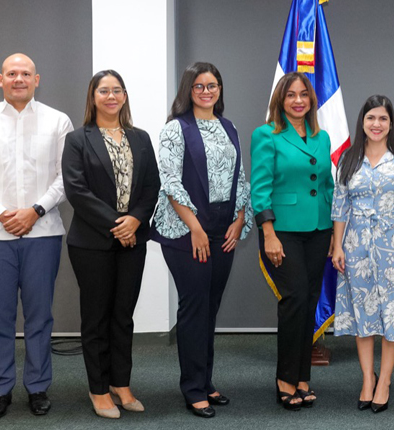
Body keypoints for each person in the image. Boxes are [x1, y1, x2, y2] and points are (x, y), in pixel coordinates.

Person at [0, 53, 73, 419]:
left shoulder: (58, 121)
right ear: (0, 79)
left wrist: (35, 211)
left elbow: (66, 175)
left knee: (40, 317)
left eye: (25, 73)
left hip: (44, 232)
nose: (18, 78)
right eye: (12, 73)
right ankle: (0, 389)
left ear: (37, 80)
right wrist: (2, 213)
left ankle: (38, 387)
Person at [151, 62, 251, 418]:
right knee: (194, 309)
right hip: (186, 231)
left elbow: (240, 176)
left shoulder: (229, 126)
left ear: (220, 90)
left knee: (209, 308)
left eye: (212, 85)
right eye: (199, 86)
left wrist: (241, 218)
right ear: (188, 90)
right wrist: (194, 227)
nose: (206, 91)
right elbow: (171, 183)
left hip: (223, 228)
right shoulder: (175, 130)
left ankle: (205, 381)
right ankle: (192, 388)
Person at [62, 70, 160, 418]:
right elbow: (77, 191)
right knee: (96, 318)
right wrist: (119, 224)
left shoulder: (141, 138)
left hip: (133, 240)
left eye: (117, 90)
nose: (111, 96)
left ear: (124, 96)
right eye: (104, 90)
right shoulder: (78, 140)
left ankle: (121, 384)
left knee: (123, 316)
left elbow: (152, 186)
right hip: (91, 242)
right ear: (93, 97)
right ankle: (99, 389)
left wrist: (135, 220)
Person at [331, 94, 394, 414]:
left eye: (383, 119)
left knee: (390, 315)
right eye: (371, 118)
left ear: (391, 123)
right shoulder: (348, 158)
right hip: (356, 249)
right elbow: (340, 207)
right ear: (362, 122)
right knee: (363, 317)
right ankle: (367, 379)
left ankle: (385, 380)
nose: (376, 124)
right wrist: (337, 246)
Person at [251, 72, 334, 411]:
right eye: (291, 96)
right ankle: (285, 378)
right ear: (280, 101)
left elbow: (327, 186)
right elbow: (260, 187)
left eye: (304, 95)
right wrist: (267, 233)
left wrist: (332, 232)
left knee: (310, 300)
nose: (298, 100)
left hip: (318, 228)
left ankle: (302, 377)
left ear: (312, 100)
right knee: (295, 298)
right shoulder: (266, 135)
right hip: (281, 230)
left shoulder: (322, 136)